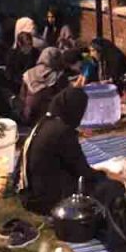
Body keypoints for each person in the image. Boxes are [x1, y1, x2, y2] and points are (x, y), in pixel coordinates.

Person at [17, 87, 102, 215]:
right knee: (109, 188)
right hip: (47, 201)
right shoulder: (62, 132)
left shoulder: (44, 122)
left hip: (30, 193)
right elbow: (82, 170)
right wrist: (106, 175)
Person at [17, 47, 84, 126]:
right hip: (49, 114)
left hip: (28, 113)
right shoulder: (58, 75)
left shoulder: (28, 73)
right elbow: (65, 95)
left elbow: (22, 95)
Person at [88, 38, 126, 106]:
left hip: (123, 98)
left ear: (100, 50)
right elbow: (109, 80)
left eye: (93, 50)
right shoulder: (103, 61)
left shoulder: (117, 60)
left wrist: (124, 99)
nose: (91, 54)